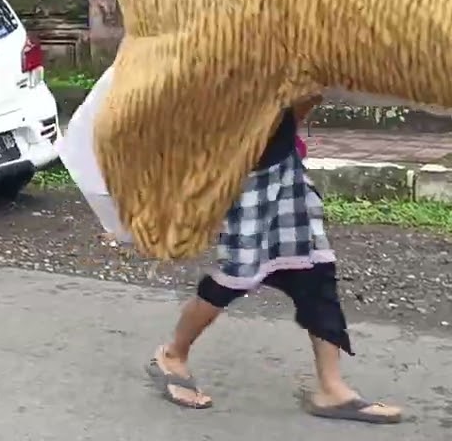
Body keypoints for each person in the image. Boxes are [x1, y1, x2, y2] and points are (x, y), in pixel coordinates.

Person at [146, 103, 401, 423]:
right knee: (234, 277)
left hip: (284, 170)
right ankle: (173, 355)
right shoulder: (210, 61)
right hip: (238, 177)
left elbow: (295, 105)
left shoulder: (277, 56)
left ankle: (331, 389)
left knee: (315, 269)